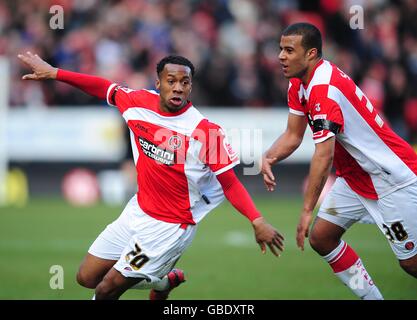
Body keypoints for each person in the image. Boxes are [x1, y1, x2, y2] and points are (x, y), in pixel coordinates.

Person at [18, 52, 284, 300]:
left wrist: (257, 220)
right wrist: (55, 73)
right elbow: (103, 87)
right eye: (171, 81)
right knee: (86, 277)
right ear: (158, 83)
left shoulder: (204, 131)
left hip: (170, 226)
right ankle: (162, 282)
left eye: (185, 82)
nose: (178, 87)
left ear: (191, 87)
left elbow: (230, 183)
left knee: (106, 290)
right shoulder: (136, 103)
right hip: (138, 211)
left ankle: (155, 276)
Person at [261, 22, 417, 300]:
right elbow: (293, 135)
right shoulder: (298, 82)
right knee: (322, 238)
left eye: (288, 50)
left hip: (390, 178)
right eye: (280, 49)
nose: (281, 56)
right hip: (357, 177)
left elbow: (324, 154)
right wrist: (269, 157)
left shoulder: (324, 89)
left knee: (411, 264)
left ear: (310, 54)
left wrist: (307, 210)